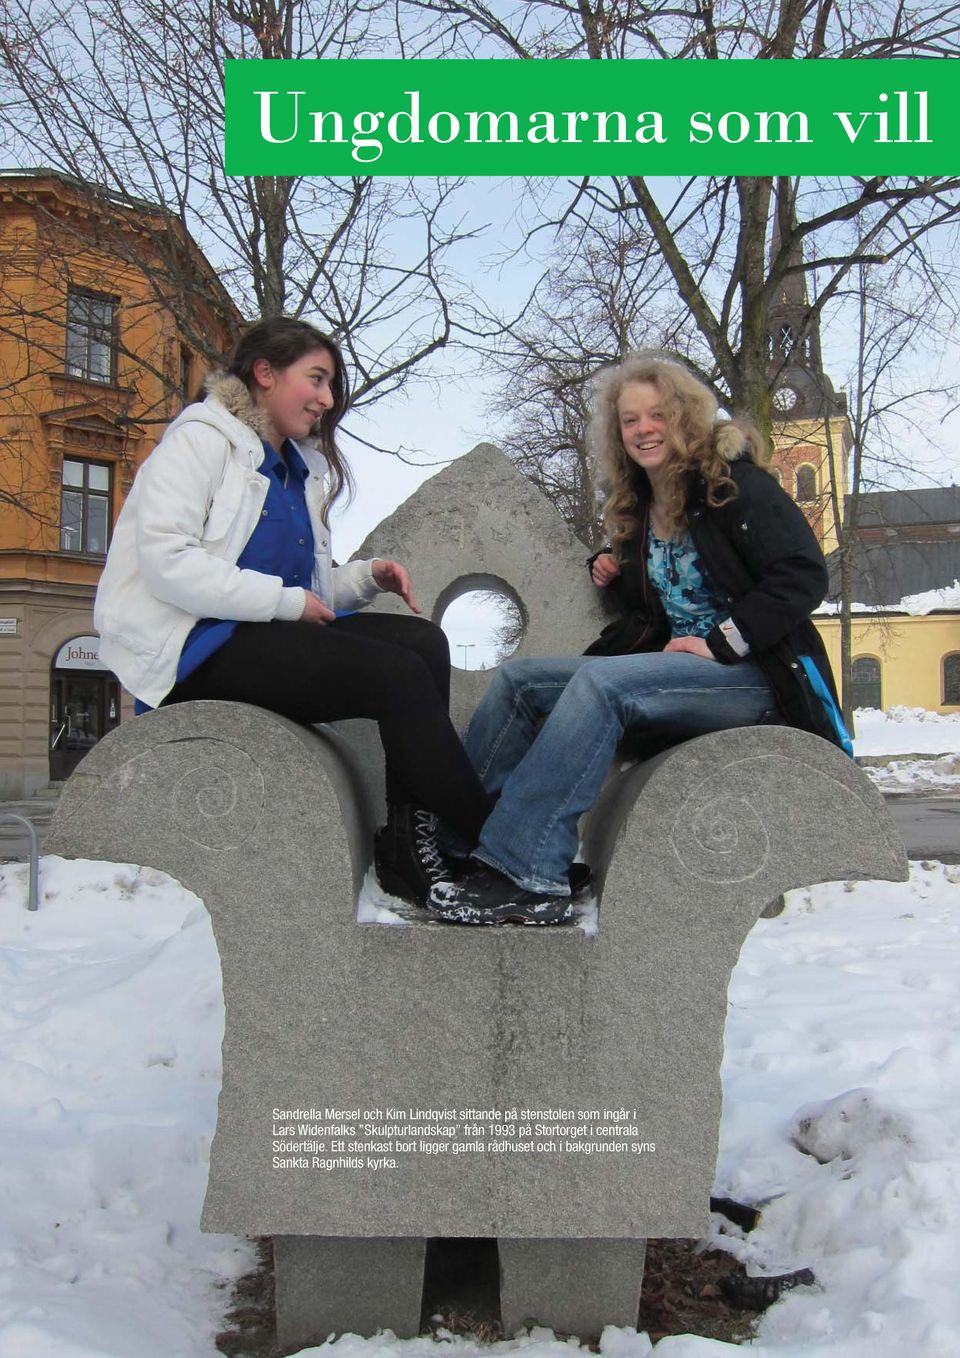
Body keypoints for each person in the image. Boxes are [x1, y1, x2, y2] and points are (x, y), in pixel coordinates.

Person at [427, 352, 846, 926]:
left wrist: (722, 642)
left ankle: (527, 871)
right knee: (518, 682)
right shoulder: (643, 505)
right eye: (630, 420)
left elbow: (802, 573)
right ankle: (458, 844)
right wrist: (620, 571)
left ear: (685, 418)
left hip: (753, 677)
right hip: (683, 673)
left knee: (602, 687)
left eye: (657, 415)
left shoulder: (733, 484)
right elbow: (670, 600)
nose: (644, 429)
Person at [94, 317, 492, 904]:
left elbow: (306, 592)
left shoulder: (297, 473)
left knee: (423, 644)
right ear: (264, 373)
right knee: (396, 675)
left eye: (331, 386)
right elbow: (168, 563)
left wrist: (366, 578)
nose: (328, 400)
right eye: (317, 379)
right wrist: (286, 602)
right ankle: (496, 841)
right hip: (196, 646)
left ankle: (410, 843)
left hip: (264, 634)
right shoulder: (202, 441)